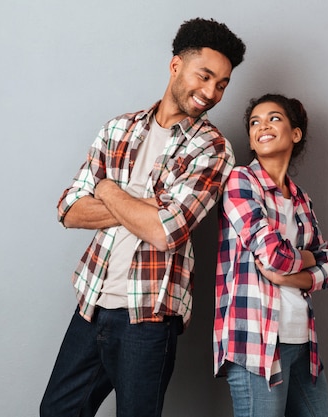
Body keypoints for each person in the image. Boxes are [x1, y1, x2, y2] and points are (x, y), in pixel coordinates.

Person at [40, 18, 246, 417]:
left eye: (222, 84)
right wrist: (140, 204)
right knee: (57, 411)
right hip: (92, 303)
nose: (211, 93)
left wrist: (107, 188)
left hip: (149, 317)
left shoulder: (213, 149)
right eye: (205, 76)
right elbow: (68, 209)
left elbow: (166, 230)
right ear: (175, 67)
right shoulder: (118, 129)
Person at [213, 93, 328, 417]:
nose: (262, 126)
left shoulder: (301, 200)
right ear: (252, 141)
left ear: (295, 134)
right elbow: (273, 257)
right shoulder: (241, 181)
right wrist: (309, 260)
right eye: (255, 122)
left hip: (302, 342)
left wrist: (297, 275)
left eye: (273, 118)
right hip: (257, 341)